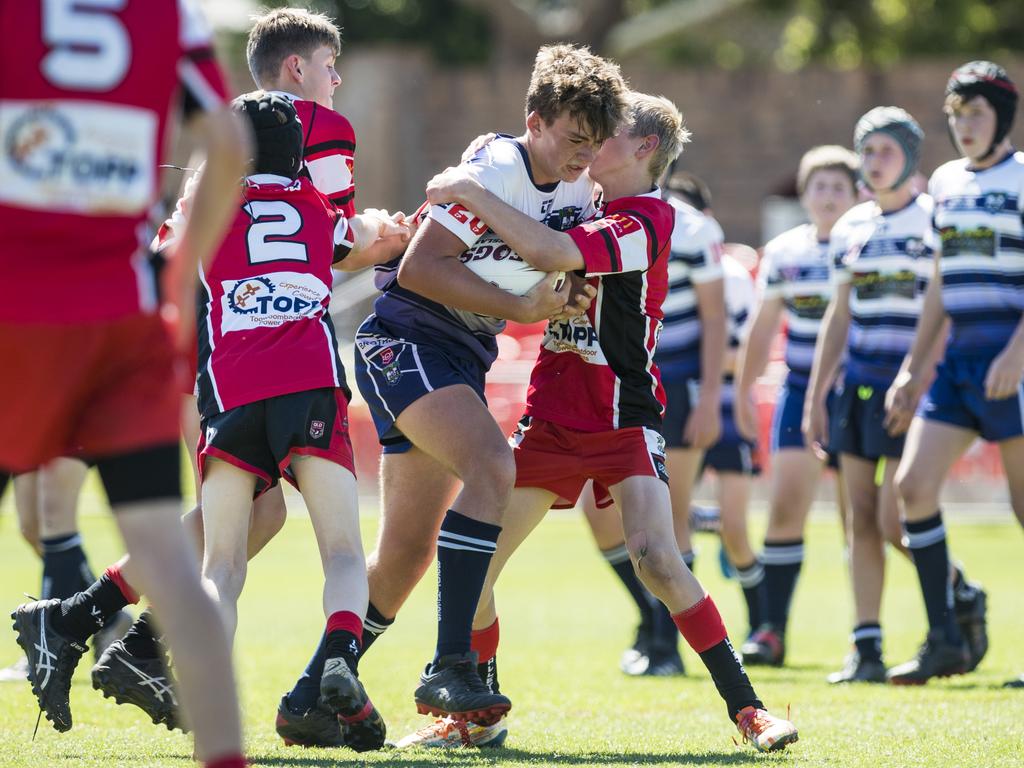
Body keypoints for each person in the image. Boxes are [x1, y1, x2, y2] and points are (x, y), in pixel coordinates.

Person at [425, 91, 799, 753]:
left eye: (610, 131)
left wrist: (469, 192)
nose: (592, 139)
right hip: (552, 417)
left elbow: (547, 251)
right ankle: (474, 717)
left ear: (647, 147)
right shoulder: (581, 201)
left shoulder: (651, 217)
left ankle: (751, 711)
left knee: (659, 557)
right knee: (474, 573)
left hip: (623, 414)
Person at [276, 43, 623, 746]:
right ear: (535, 120)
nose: (583, 156)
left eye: (594, 143)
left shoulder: (581, 191)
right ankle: (451, 665)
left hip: (459, 355)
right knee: (494, 467)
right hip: (406, 338)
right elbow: (419, 266)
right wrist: (523, 307)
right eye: (572, 138)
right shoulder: (495, 167)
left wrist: (565, 292)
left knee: (404, 556)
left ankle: (308, 698)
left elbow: (553, 271)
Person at [1, 1, 250, 766]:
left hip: (15, 306)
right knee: (171, 563)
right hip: (126, 313)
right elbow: (230, 146)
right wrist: (177, 278)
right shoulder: (167, 13)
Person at [195, 91, 407, 751]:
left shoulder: (204, 208)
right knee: (343, 550)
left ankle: (208, 707)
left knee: (222, 563)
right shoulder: (317, 207)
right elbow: (364, 240)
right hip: (309, 380)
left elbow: (161, 259)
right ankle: (341, 653)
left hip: (230, 388)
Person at [803, 107, 983, 683]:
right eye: (867, 151)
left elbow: (947, 308)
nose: (873, 162)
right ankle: (867, 646)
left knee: (890, 516)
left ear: (909, 155)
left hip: (910, 383)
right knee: (857, 516)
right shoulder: (852, 225)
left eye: (885, 150)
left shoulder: (935, 218)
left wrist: (921, 375)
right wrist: (815, 396)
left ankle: (957, 591)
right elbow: (839, 314)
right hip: (856, 384)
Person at [884, 60, 1021, 684]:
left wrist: (1017, 353)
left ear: (1003, 118)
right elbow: (940, 279)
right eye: (957, 114)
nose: (965, 125)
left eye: (977, 114)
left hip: (1012, 354)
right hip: (959, 358)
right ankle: (945, 639)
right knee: (912, 488)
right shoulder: (943, 182)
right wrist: (914, 368)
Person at [583, 169, 729, 679]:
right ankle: (652, 618)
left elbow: (715, 317)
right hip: (609, 379)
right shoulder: (590, 208)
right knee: (598, 514)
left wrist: (712, 395)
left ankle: (666, 645)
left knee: (672, 513)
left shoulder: (690, 226)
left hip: (674, 376)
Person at [733, 145, 859, 666]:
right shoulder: (785, 251)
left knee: (865, 520)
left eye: (838, 187)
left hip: (857, 389)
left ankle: (866, 635)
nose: (827, 196)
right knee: (784, 508)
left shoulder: (867, 244)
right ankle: (771, 629)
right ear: (804, 195)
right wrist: (743, 390)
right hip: (799, 387)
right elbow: (762, 331)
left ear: (857, 196)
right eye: (818, 187)